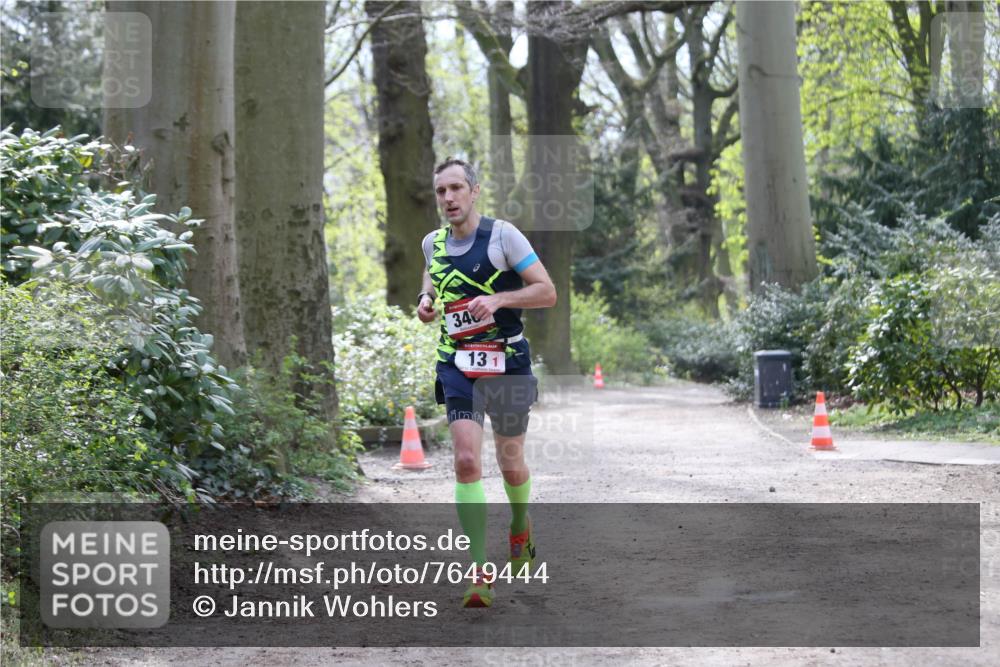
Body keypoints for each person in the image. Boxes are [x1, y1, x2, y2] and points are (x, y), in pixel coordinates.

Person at [417, 157, 556, 608]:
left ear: (474, 191)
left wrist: (498, 300)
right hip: (457, 364)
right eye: (441, 191)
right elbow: (432, 274)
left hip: (508, 361)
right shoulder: (431, 243)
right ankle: (479, 571)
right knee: (464, 461)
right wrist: (426, 299)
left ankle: (520, 524)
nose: (449, 198)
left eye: (457, 188)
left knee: (510, 463)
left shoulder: (502, 236)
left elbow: (546, 291)